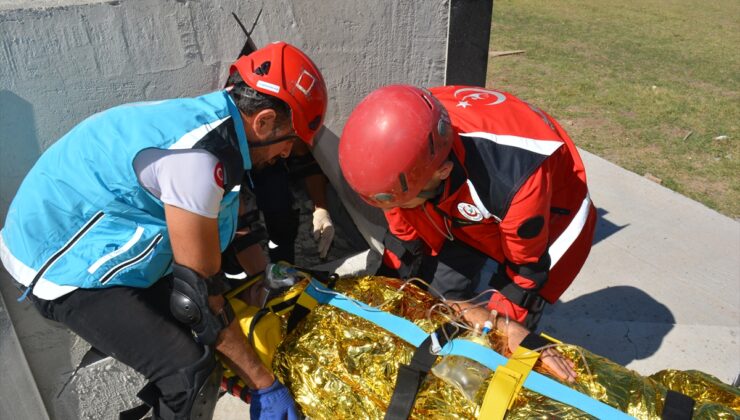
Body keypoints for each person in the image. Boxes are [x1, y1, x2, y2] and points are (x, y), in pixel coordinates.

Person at [0, 41, 327, 419]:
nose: (287, 154)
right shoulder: (200, 159)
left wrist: (262, 282)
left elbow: (231, 226)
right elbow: (199, 298)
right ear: (264, 121)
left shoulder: (222, 131)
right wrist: (264, 385)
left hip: (89, 233)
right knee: (189, 373)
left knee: (198, 347)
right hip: (58, 257)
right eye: (291, 140)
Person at [338, 85, 597, 381]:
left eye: (403, 200)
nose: (396, 207)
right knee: (436, 299)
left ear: (442, 172)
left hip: (550, 217)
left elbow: (524, 275)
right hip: (468, 207)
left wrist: (502, 326)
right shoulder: (409, 133)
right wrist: (388, 289)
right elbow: (402, 232)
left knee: (498, 344)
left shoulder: (512, 179)